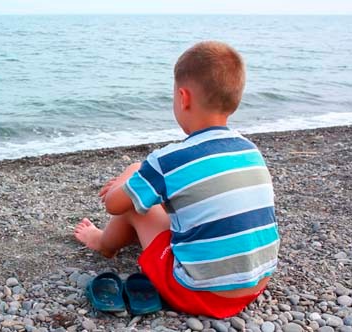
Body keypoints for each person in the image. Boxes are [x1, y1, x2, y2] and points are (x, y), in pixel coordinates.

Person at [74, 41, 279, 319]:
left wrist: (128, 177)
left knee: (135, 201)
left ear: (183, 98)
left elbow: (114, 204)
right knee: (163, 196)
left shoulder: (169, 159)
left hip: (200, 294)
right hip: (256, 284)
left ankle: (103, 243)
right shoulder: (249, 150)